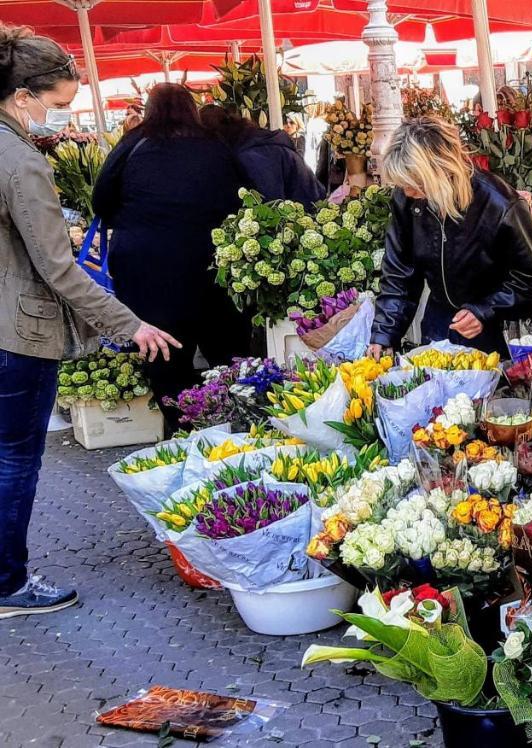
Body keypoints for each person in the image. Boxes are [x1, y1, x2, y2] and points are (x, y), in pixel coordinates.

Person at [0, 24, 178, 617]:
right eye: (55, 106)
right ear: (23, 96)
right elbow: (59, 269)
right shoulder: (20, 161)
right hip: (16, 333)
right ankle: (8, 584)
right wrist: (131, 326)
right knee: (14, 458)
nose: (57, 120)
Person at [92, 84, 251, 430]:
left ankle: (181, 428)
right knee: (226, 351)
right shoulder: (214, 146)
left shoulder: (133, 143)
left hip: (146, 269)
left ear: (150, 110)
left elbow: (101, 200)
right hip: (210, 266)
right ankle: (235, 426)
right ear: (192, 109)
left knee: (164, 354)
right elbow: (241, 199)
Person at [367, 118, 532, 357]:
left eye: (416, 183)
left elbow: (531, 277)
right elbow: (400, 274)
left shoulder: (499, 204)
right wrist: (384, 334)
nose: (408, 192)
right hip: (441, 325)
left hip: (501, 333)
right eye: (404, 185)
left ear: (441, 171)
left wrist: (485, 310)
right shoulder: (407, 201)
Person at [201, 104, 326, 204]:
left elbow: (271, 204)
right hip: (309, 204)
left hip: (305, 212)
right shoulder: (255, 142)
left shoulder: (251, 155)